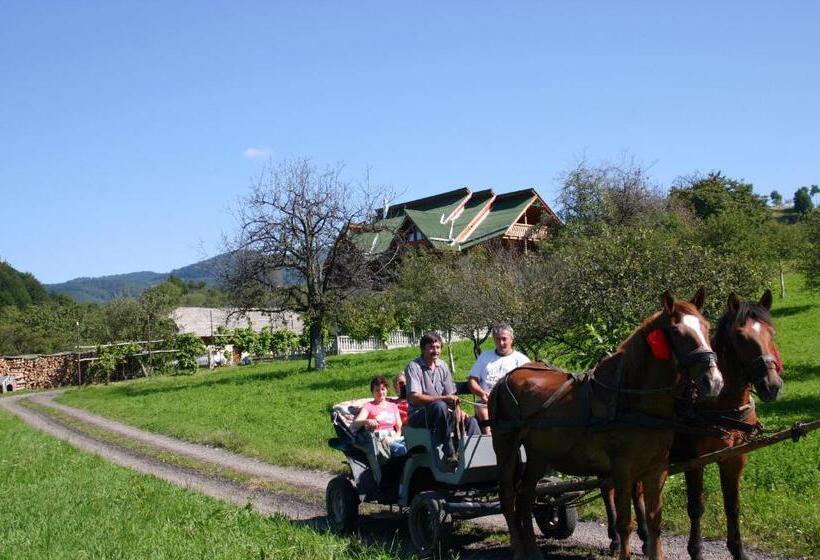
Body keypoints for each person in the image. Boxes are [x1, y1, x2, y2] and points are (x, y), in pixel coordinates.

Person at [406, 332, 480, 470]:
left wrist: (459, 411)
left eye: (438, 347)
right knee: (440, 406)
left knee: (471, 421)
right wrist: (443, 399)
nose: (435, 351)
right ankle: (450, 454)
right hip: (419, 415)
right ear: (423, 349)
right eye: (431, 347)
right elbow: (414, 397)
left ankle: (476, 458)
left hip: (443, 413)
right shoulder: (413, 367)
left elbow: (451, 395)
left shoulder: (443, 366)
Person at [468, 323, 530, 434]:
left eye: (504, 339)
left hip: (511, 403)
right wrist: (482, 393)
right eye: (497, 339)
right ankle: (489, 437)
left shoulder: (521, 360)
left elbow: (528, 385)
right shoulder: (484, 356)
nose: (501, 343)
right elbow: (472, 380)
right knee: (482, 407)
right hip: (487, 401)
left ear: (512, 339)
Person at [352, 375, 406, 458]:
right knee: (401, 450)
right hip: (379, 441)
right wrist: (366, 421)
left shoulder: (393, 406)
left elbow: (399, 430)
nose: (380, 392)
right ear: (372, 392)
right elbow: (355, 424)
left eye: (383, 389)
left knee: (415, 446)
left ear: (386, 390)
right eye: (377, 390)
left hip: (393, 438)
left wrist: (393, 438)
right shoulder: (369, 406)